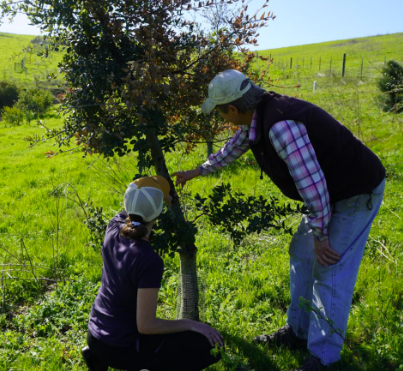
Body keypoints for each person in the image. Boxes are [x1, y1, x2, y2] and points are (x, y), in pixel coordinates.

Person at [172, 70, 385, 371]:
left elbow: (313, 188)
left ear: (233, 108)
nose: (223, 119)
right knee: (302, 252)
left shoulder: (281, 126)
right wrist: (199, 170)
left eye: (221, 113)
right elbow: (236, 145)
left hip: (355, 192)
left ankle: (323, 358)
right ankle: (297, 331)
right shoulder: (256, 115)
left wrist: (321, 236)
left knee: (330, 268)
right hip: (331, 192)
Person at [85, 176, 223, 371]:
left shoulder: (113, 226)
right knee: (212, 347)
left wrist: (152, 198)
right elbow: (146, 325)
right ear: (159, 212)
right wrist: (190, 324)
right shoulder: (148, 260)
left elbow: (134, 208)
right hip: (121, 347)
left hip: (96, 335)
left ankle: (96, 358)